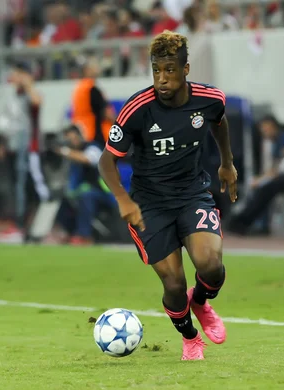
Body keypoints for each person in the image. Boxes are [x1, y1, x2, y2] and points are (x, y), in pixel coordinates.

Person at [98, 31, 238, 361]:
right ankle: (190, 338)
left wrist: (227, 164)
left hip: (192, 193)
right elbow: (106, 160)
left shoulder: (210, 99)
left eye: (170, 70)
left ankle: (201, 302)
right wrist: (123, 199)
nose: (162, 79)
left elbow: (219, 122)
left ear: (186, 69)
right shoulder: (137, 109)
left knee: (211, 266)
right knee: (174, 284)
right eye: (156, 70)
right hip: (149, 205)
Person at [0, 61, 51, 243]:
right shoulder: (12, 98)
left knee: (31, 189)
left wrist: (28, 84)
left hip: (31, 149)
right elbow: (7, 123)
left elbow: (37, 101)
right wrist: (2, 144)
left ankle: (27, 225)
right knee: (16, 188)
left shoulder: (31, 94)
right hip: (14, 148)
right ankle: (20, 225)